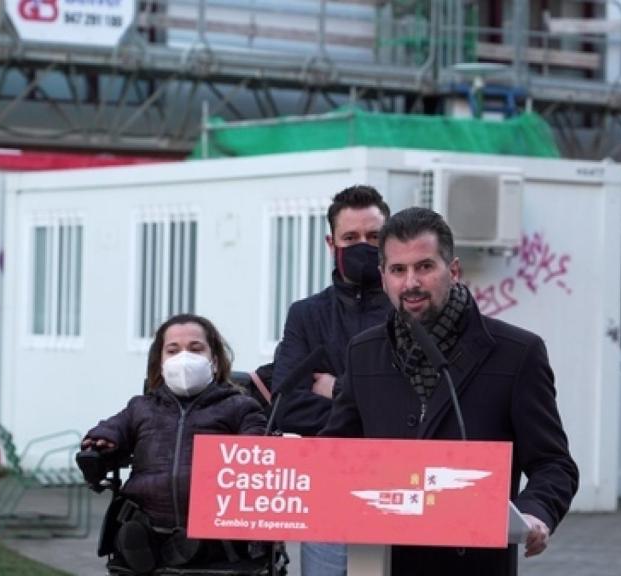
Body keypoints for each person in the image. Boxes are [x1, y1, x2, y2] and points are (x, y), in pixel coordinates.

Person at [321, 207, 579, 576]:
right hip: (381, 561)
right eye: (398, 270)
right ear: (383, 278)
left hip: (473, 563)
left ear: (453, 271)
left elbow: (554, 464)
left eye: (424, 267)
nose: (411, 282)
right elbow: (338, 452)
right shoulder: (363, 352)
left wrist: (535, 513)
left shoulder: (517, 353)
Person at [82, 314, 266, 572]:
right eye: (173, 350)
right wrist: (100, 440)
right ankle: (149, 547)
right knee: (137, 526)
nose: (184, 358)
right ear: (160, 363)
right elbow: (112, 427)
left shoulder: (240, 406)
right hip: (148, 516)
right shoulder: (141, 407)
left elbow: (259, 446)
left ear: (213, 360)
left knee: (204, 533)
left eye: (195, 348)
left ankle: (187, 547)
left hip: (214, 519)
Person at [271, 184, 392, 575]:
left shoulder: (410, 314)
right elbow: (286, 404)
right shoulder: (306, 315)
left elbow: (423, 405)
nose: (363, 246)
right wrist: (376, 415)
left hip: (398, 487)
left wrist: (336, 390)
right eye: (351, 238)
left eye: (374, 237)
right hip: (327, 490)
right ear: (331, 241)